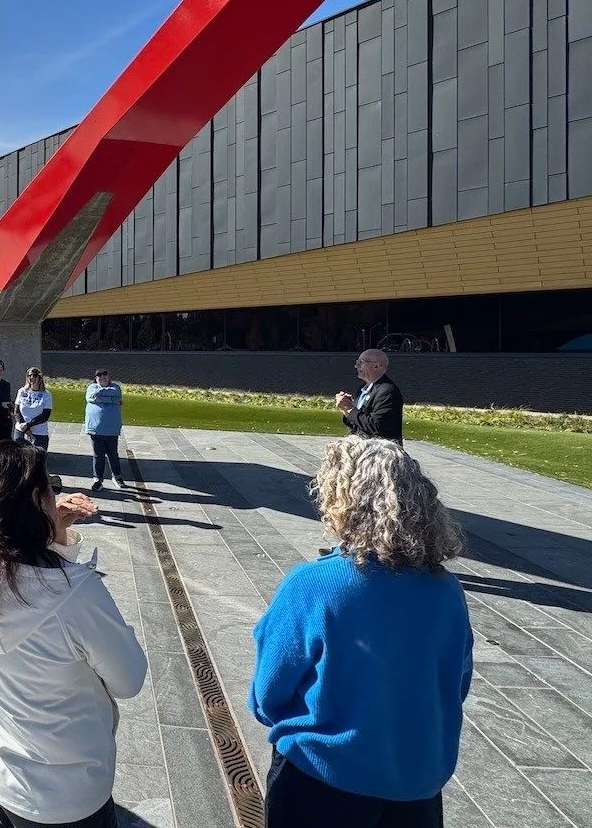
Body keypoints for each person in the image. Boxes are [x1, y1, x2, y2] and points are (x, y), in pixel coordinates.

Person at [249, 436, 472, 827]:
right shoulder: (447, 591)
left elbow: (267, 697)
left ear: (342, 502)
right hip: (416, 788)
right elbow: (457, 684)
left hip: (321, 781)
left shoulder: (314, 584)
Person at [0, 442, 148, 828]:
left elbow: (14, 564)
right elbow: (129, 679)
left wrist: (52, 527)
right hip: (63, 793)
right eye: (50, 489)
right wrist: (51, 527)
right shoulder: (77, 592)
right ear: (37, 501)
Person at [335, 349, 404, 446]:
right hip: (363, 450)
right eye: (357, 362)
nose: (356, 366)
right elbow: (357, 424)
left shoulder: (387, 391)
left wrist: (350, 409)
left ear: (376, 365)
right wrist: (346, 408)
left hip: (381, 454)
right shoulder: (363, 389)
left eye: (361, 362)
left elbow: (377, 427)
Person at [85, 368, 125, 491]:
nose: (102, 377)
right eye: (99, 375)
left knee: (113, 455)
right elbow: (90, 398)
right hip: (95, 429)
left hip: (111, 429)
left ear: (109, 376)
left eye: (105, 374)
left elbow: (116, 396)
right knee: (98, 455)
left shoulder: (116, 387)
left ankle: (117, 477)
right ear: (95, 378)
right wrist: (111, 400)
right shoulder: (91, 387)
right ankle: (98, 479)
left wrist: (101, 395)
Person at [14, 367, 53, 451]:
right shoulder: (22, 391)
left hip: (39, 433)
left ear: (39, 377)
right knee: (19, 459)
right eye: (29, 375)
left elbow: (45, 416)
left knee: (38, 459)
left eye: (34, 375)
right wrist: (24, 426)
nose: (31, 378)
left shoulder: (46, 394)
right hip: (21, 430)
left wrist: (28, 425)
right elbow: (16, 411)